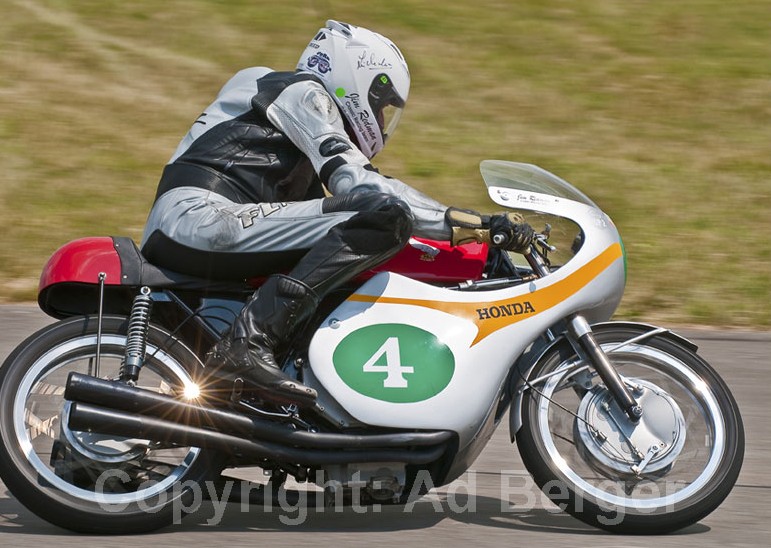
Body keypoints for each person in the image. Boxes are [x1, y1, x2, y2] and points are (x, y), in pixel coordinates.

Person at [140, 20, 535, 408]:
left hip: (206, 222)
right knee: (383, 215)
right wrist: (471, 226)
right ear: (354, 77)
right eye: (380, 105)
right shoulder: (302, 93)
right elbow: (362, 186)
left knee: (360, 237)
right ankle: (248, 343)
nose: (380, 121)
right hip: (201, 217)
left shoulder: (291, 140)